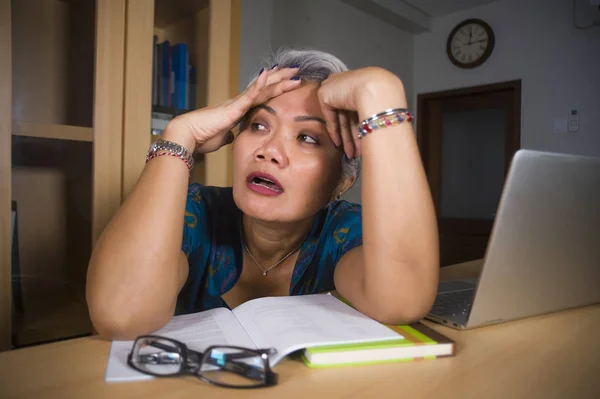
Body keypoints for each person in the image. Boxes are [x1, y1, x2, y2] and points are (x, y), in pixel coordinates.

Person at [86, 47, 439, 340]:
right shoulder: (192, 211)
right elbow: (121, 315)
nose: (269, 150)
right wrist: (181, 134)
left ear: (342, 182)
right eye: (258, 125)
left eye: (307, 138)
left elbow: (401, 301)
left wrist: (380, 90)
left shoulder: (348, 233)